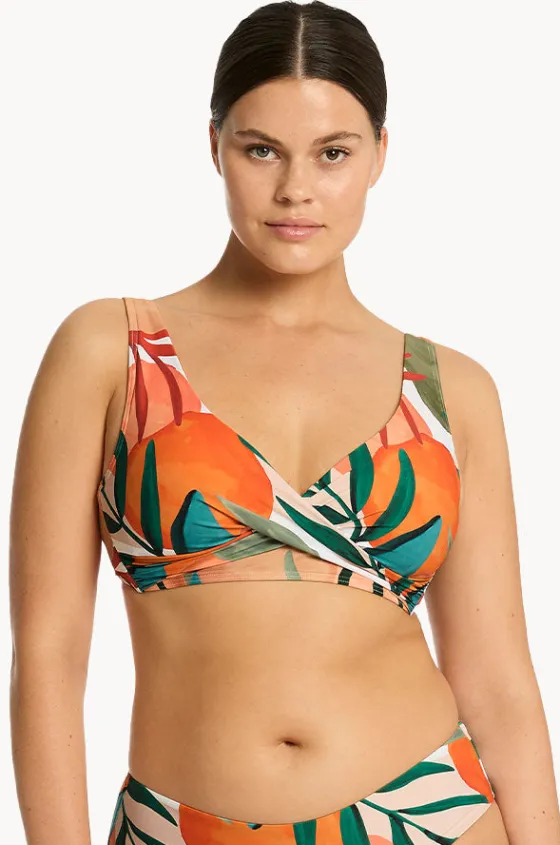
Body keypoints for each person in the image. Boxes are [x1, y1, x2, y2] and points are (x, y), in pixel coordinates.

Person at [9, 2, 560, 843]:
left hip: (434, 816)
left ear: (380, 154)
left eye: (333, 152)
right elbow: (48, 653)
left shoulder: (451, 389)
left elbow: (498, 683)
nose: (296, 188)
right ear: (214, 146)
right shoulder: (110, 350)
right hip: (182, 823)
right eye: (261, 149)